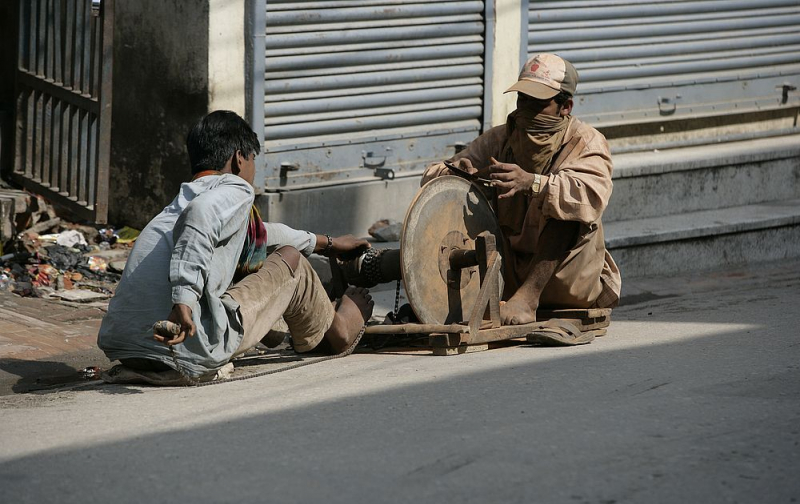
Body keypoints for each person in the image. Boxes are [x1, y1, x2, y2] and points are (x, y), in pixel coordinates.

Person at [98, 110, 373, 384]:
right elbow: (201, 215)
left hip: (129, 346)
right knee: (292, 260)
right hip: (184, 343)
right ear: (239, 158)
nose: (253, 170)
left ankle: (273, 328)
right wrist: (183, 298)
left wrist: (327, 242)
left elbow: (263, 235)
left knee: (260, 258)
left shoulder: (178, 204)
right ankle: (339, 331)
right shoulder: (234, 188)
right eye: (254, 160)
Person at [421, 53, 621, 325]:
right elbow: (432, 177)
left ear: (566, 107)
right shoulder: (500, 138)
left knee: (567, 206)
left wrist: (532, 183)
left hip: (566, 274)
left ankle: (528, 299)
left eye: (537, 102)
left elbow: (589, 198)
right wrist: (459, 172)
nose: (525, 110)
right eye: (522, 99)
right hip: (508, 276)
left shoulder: (586, 142)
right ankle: (512, 296)